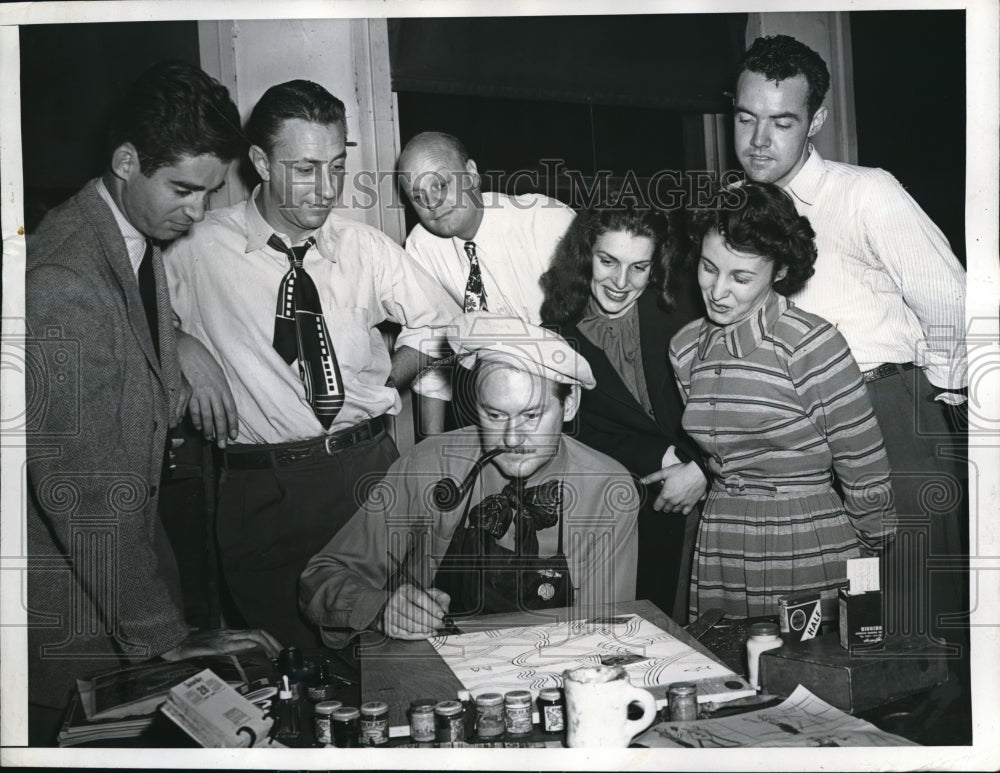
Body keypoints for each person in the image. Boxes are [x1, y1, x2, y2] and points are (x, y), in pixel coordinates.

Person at [25, 61, 280, 746]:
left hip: (126, 585)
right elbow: (82, 489)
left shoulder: (134, 240)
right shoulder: (62, 280)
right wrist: (168, 639)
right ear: (126, 161)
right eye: (183, 190)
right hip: (77, 621)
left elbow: (130, 352)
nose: (196, 212)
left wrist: (184, 342)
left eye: (209, 192)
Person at [163, 80, 462, 649]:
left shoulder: (365, 247)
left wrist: (385, 380)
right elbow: (126, 318)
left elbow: (442, 322)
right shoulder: (195, 247)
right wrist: (183, 346)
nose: (326, 190)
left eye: (337, 166)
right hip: (265, 490)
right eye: (305, 169)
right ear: (259, 162)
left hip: (370, 475)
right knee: (290, 671)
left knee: (392, 654)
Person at [732, 34, 967, 639]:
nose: (759, 140)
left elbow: (957, 304)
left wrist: (917, 394)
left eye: (782, 122)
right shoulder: (736, 207)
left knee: (912, 611)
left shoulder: (868, 193)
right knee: (834, 615)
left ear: (817, 121)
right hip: (793, 434)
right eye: (745, 118)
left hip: (885, 412)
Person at [300, 314, 640, 643]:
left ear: (569, 406)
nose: (511, 439)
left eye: (531, 415)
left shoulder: (608, 489)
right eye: (494, 415)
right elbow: (321, 578)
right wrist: (380, 608)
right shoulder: (429, 464)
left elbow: (602, 636)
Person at [669, 182, 896, 623]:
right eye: (708, 267)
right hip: (722, 539)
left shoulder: (813, 345)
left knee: (809, 685)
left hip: (807, 540)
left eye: (740, 277)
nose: (717, 290)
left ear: (778, 272)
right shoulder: (683, 348)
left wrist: (866, 569)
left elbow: (865, 466)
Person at [539, 204, 707, 623]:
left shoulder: (686, 307)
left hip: (719, 494)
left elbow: (732, 400)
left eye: (638, 267)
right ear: (584, 256)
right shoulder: (558, 330)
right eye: (607, 261)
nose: (620, 282)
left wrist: (700, 466)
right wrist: (664, 458)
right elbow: (579, 432)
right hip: (635, 508)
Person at [397, 131, 577, 433]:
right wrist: (434, 447)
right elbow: (429, 339)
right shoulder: (420, 247)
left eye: (441, 184)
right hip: (488, 409)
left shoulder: (545, 222)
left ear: (470, 173)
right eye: (418, 196)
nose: (433, 203)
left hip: (572, 402)